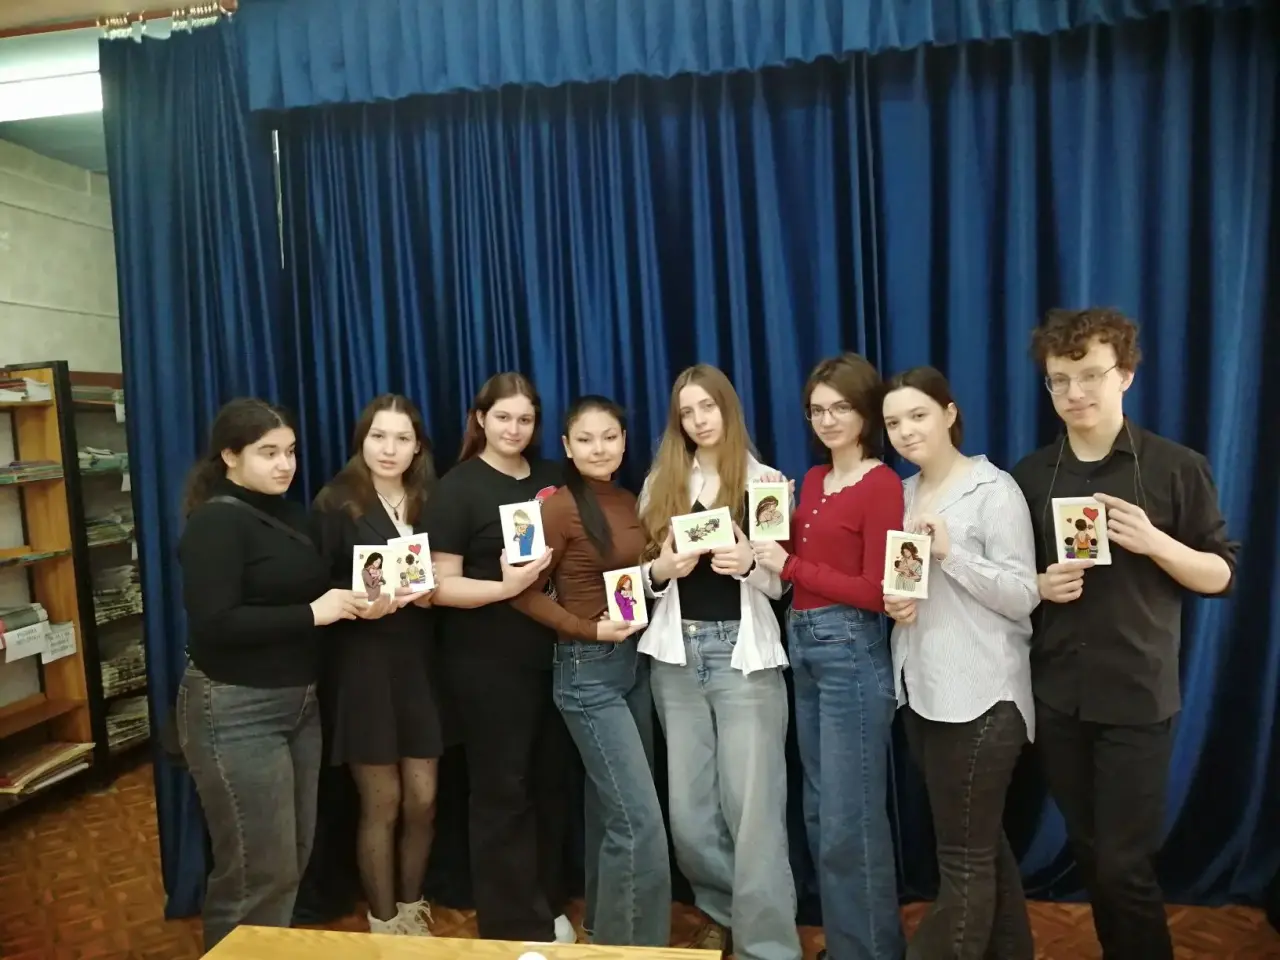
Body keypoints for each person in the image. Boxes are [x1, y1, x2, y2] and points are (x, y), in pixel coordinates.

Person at [1011, 308, 1238, 959]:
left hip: (1138, 697)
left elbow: (1222, 574)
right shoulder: (1030, 476)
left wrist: (1156, 541)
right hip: (1059, 695)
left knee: (1123, 866)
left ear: (1126, 375)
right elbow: (1011, 579)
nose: (1074, 393)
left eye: (1090, 375)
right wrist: (1039, 584)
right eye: (1059, 380)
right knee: (1089, 854)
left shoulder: (1176, 467)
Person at [176, 398, 366, 952]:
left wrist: (358, 598)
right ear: (229, 456)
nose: (285, 465)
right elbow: (215, 623)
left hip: (298, 704)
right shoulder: (214, 523)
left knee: (290, 860)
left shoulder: (288, 514)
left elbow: (306, 591)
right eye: (268, 453)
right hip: (235, 708)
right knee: (253, 871)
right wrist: (314, 613)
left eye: (290, 452)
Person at [638, 364, 800, 960]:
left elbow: (782, 584)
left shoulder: (765, 482)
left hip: (743, 659)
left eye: (708, 407)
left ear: (728, 409)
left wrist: (750, 565)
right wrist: (662, 571)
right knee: (690, 815)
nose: (699, 420)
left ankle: (768, 947)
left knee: (754, 814)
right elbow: (640, 577)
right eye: (687, 411)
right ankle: (725, 913)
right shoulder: (661, 483)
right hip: (676, 659)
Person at [749, 353, 905, 960]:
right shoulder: (813, 480)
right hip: (804, 642)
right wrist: (770, 523)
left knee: (850, 820)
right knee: (819, 812)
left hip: (850, 649)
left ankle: (872, 952)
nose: (828, 419)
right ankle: (848, 947)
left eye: (841, 407)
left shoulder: (881, 484)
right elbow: (795, 559)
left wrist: (788, 564)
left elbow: (877, 590)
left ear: (866, 411)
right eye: (817, 410)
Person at [881, 367, 1038, 959]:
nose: (905, 430)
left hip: (982, 697)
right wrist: (895, 603)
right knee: (981, 846)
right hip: (921, 689)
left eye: (918, 415)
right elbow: (905, 582)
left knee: (963, 861)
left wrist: (952, 555)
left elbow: (1023, 594)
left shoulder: (993, 490)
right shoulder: (901, 494)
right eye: (893, 422)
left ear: (949, 413)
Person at [509, 395, 671, 946]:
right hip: (587, 672)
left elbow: (638, 578)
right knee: (638, 821)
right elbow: (522, 593)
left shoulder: (629, 500)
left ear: (624, 441)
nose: (598, 448)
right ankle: (637, 951)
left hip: (633, 665)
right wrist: (585, 629)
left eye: (609, 437)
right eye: (585, 439)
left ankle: (607, 931)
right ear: (567, 447)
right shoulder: (556, 508)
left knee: (611, 811)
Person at [424, 372, 576, 943]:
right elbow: (439, 586)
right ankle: (513, 923)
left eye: (526, 419)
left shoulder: (554, 478)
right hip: (486, 661)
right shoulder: (457, 488)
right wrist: (504, 588)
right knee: (502, 790)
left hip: (556, 655)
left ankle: (547, 902)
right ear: (481, 419)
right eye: (504, 417)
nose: (514, 429)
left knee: (550, 782)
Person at [310, 395, 443, 936]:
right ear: (361, 441)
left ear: (418, 447)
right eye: (378, 437)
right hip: (363, 664)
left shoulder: (431, 500)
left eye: (402, 438)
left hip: (421, 662)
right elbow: (313, 586)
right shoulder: (336, 502)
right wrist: (355, 601)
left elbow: (446, 573)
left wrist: (434, 592)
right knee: (382, 801)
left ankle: (412, 909)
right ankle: (383, 921)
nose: (389, 449)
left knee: (424, 799)